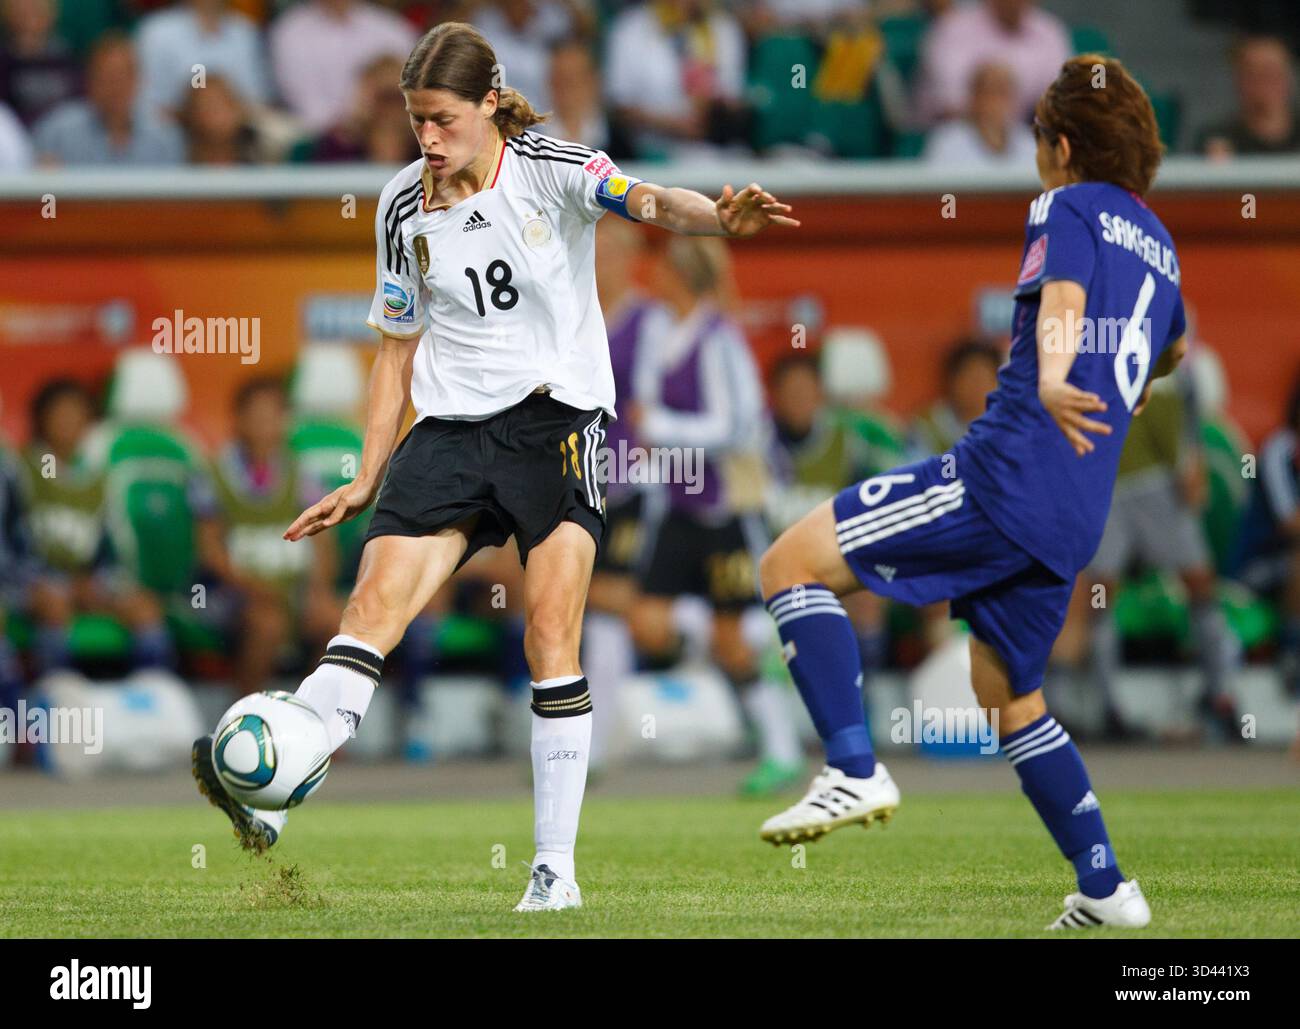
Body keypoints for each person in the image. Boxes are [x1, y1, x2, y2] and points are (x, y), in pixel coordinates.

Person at [190, 21, 797, 913]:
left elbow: (650, 201)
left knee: (550, 635)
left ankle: (553, 870)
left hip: (556, 425)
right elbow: (396, 350)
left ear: (488, 103)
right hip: (448, 432)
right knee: (370, 610)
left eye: (442, 118)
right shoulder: (400, 205)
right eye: (416, 121)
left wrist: (716, 215)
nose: (427, 138)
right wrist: (367, 473)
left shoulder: (552, 165)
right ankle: (281, 775)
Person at [757, 55, 1183, 930]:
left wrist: (1056, 374)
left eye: (1040, 137)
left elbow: (1063, 299)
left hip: (1005, 477)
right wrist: (1132, 381)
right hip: (1073, 513)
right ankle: (1107, 887)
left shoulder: (1067, 205)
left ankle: (852, 766)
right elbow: (1172, 346)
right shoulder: (1163, 248)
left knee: (787, 564)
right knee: (1007, 693)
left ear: (1064, 145)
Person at [629, 237, 804, 797]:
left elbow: (735, 426)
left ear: (683, 277)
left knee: (732, 643)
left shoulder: (720, 339)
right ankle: (743, 642)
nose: (654, 277)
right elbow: (643, 403)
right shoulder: (661, 331)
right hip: (678, 505)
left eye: (665, 270)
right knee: (648, 622)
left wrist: (662, 429)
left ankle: (781, 750)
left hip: (725, 508)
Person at [1197, 36, 1299, 159]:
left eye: (1272, 72)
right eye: (1252, 74)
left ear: (1289, 76)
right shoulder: (1217, 138)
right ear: (1238, 80)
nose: (1264, 83)